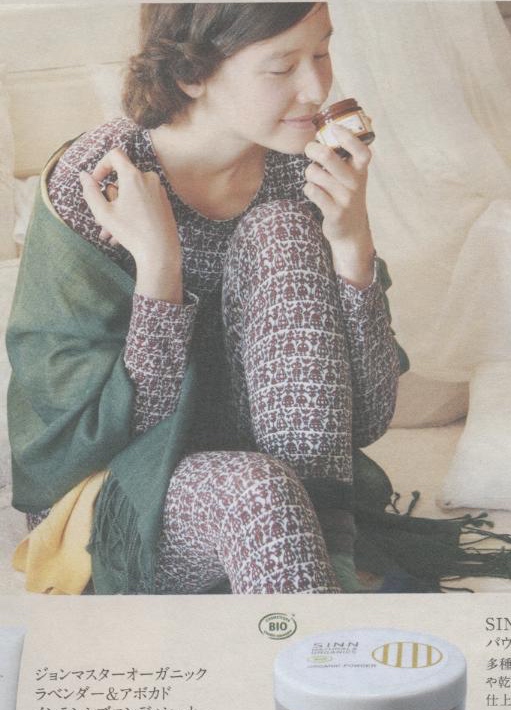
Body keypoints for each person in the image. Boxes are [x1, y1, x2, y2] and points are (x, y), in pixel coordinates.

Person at [7, 2, 401, 595]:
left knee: (282, 227)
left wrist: (353, 247)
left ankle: (319, 572)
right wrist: (159, 268)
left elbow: (367, 419)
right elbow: (98, 437)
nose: (317, 87)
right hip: (122, 488)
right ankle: (321, 606)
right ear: (191, 74)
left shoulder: (302, 168)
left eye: (322, 52)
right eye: (282, 67)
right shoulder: (98, 183)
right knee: (260, 493)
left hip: (297, 483)